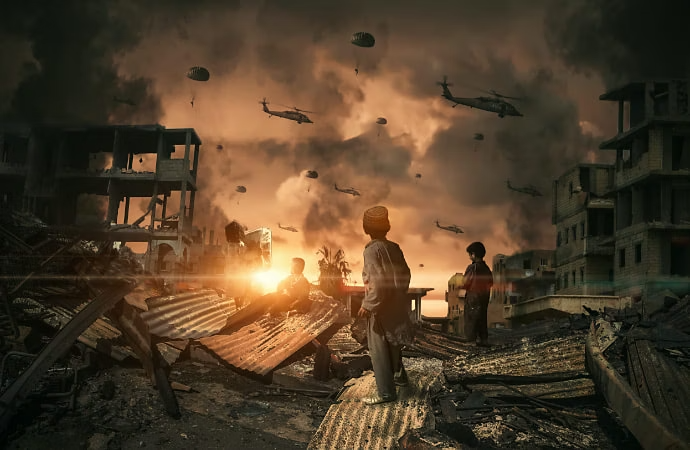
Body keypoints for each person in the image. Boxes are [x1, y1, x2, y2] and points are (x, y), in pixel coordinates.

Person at [357, 206, 413, 406]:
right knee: (394, 342)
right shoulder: (394, 248)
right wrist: (399, 293)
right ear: (387, 227)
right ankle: (400, 377)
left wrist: (369, 304)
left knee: (379, 348)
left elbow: (377, 282)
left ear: (366, 228)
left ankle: (386, 392)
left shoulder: (372, 250)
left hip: (380, 306)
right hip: (396, 303)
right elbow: (406, 274)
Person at [461, 241, 493, 347]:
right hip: (484, 297)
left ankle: (471, 342)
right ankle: (484, 339)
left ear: (473, 254)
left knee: (471, 319)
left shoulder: (472, 268)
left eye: (470, 254)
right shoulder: (487, 268)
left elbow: (465, 283)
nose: (469, 257)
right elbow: (490, 283)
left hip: (473, 297)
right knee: (482, 318)